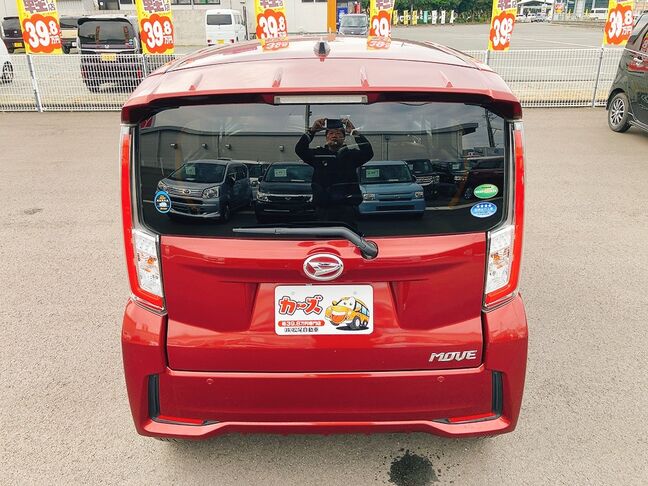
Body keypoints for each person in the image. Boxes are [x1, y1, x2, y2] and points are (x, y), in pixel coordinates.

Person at [295, 118, 374, 227]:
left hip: (347, 209)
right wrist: (312, 131)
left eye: (338, 133)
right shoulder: (318, 155)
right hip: (323, 209)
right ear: (326, 137)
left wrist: (353, 131)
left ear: (344, 138)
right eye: (331, 133)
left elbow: (368, 152)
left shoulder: (351, 155)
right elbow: (300, 149)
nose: (334, 136)